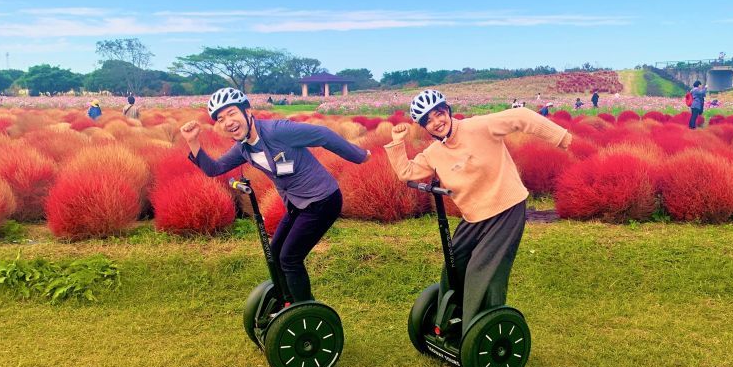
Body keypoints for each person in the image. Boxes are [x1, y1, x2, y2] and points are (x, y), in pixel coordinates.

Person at [384, 89, 571, 335]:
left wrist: (562, 138)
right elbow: (406, 173)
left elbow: (523, 116)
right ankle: (449, 321)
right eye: (428, 120)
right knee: (454, 265)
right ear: (425, 127)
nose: (437, 122)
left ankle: (477, 331)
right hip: (473, 217)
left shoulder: (479, 126)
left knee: (481, 272)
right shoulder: (433, 153)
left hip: (506, 208)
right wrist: (397, 142)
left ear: (447, 111)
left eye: (439, 114)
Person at [180, 87, 371, 304]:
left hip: (322, 200)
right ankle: (288, 301)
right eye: (221, 119)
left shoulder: (278, 130)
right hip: (297, 204)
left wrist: (359, 155)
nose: (228, 122)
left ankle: (304, 310)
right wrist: (192, 141)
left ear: (248, 112)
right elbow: (215, 168)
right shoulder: (243, 148)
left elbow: (322, 135)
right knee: (276, 252)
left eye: (232, 113)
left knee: (290, 258)